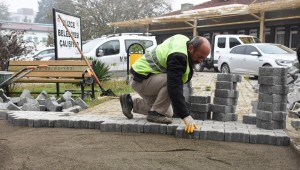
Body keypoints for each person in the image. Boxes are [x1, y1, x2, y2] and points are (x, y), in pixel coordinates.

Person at [119, 34, 211, 133]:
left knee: (167, 114)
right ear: (191, 48)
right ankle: (154, 113)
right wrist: (185, 115)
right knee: (171, 82)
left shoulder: (184, 42)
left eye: (204, 58)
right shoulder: (178, 56)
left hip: (148, 79)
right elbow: (174, 87)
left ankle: (130, 102)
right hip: (140, 78)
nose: (201, 61)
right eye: (200, 56)